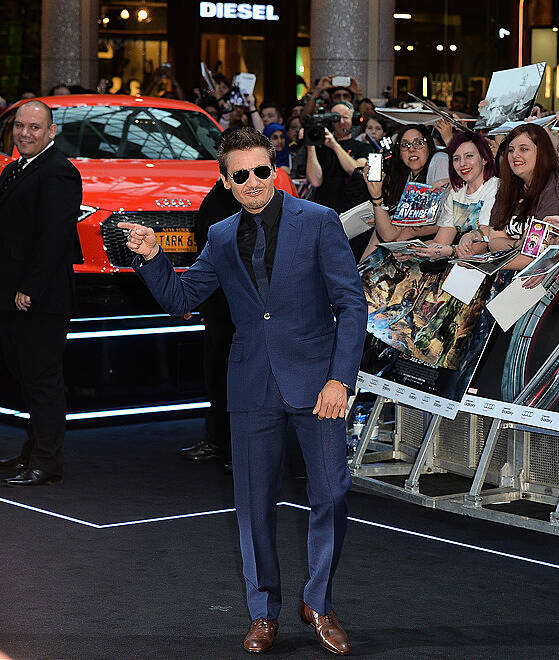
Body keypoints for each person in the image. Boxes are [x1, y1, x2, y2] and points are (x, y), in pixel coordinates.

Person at [120, 127, 366, 655]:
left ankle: (318, 602)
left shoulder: (319, 221)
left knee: (332, 493)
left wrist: (340, 379)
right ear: (226, 181)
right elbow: (182, 298)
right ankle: (263, 611)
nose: (254, 182)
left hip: (319, 384)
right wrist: (150, 256)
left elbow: (352, 305)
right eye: (241, 175)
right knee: (254, 506)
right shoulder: (222, 235)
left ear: (273, 168)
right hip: (251, 384)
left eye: (261, 170)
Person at [0, 101, 83, 486]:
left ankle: (47, 463)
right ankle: (31, 453)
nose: (25, 133)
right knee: (28, 378)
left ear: (51, 132)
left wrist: (28, 289)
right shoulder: (18, 169)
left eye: (35, 127)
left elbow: (53, 240)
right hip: (14, 295)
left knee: (43, 381)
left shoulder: (60, 173)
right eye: (20, 126)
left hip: (40, 298)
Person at [177, 182, 239, 472]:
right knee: (217, 376)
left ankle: (235, 448)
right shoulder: (217, 200)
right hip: (219, 305)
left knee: (233, 379)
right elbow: (206, 255)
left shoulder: (249, 199)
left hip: (241, 307)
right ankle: (221, 442)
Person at [488, 123, 559, 271]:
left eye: (524, 149)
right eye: (511, 150)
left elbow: (536, 254)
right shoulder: (509, 187)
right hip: (511, 269)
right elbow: (493, 239)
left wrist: (486, 267)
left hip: (544, 275)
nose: (515, 155)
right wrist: (518, 244)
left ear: (541, 153)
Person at [407, 132, 500, 261]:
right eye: (456, 159)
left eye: (469, 156)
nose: (462, 164)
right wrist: (410, 250)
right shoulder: (456, 192)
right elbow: (441, 240)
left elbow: (485, 241)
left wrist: (452, 251)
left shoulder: (494, 188)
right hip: (461, 261)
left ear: (484, 158)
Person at [361, 124, 448, 259]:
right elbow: (389, 234)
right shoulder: (407, 178)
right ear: (399, 153)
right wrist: (376, 195)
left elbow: (444, 217)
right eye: (404, 145)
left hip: (440, 249)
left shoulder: (439, 160)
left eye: (418, 143)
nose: (411, 149)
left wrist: (407, 232)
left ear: (429, 146)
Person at [307, 101, 373, 216]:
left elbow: (356, 171)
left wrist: (334, 145)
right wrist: (310, 145)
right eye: (336, 118)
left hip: (353, 211)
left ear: (354, 120)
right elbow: (315, 181)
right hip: (325, 211)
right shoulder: (321, 148)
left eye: (346, 117)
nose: (341, 122)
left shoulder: (363, 147)